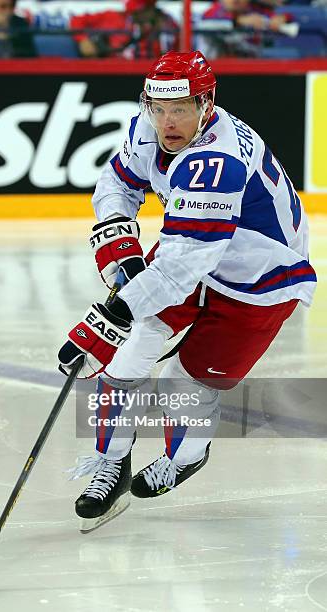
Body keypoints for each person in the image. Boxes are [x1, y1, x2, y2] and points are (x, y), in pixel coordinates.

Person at [58, 51, 317, 532]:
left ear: (207, 102)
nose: (167, 121)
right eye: (157, 107)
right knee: (130, 349)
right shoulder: (149, 124)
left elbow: (178, 271)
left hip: (258, 281)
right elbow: (118, 179)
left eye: (180, 108)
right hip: (195, 251)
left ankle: (184, 459)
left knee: (186, 382)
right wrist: (119, 238)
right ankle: (111, 466)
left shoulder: (216, 162)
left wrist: (110, 314)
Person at [70, 0, 179, 59]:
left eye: (141, 10)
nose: (135, 13)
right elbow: (76, 20)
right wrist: (83, 39)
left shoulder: (167, 26)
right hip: (109, 71)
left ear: (152, 9)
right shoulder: (115, 16)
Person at [198, 0, 295, 57]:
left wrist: (282, 18)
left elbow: (290, 17)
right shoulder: (213, 11)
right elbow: (207, 23)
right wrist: (238, 21)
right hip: (213, 71)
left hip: (248, 70)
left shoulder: (254, 11)